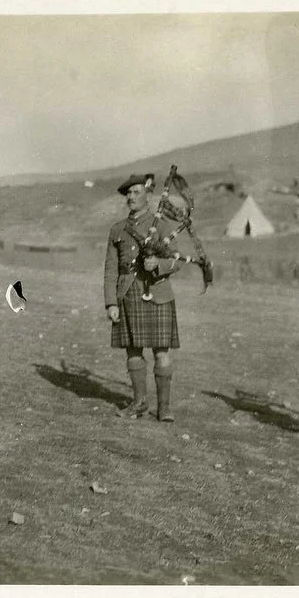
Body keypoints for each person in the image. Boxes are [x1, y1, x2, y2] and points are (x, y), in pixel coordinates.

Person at [104, 173, 182, 422]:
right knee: (133, 352)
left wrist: (157, 264)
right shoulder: (118, 229)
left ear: (148, 195)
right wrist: (111, 302)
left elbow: (176, 260)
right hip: (128, 293)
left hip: (157, 293)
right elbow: (110, 268)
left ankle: (164, 408)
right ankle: (139, 404)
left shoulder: (160, 224)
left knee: (161, 352)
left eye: (136, 192)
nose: (131, 197)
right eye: (128, 193)